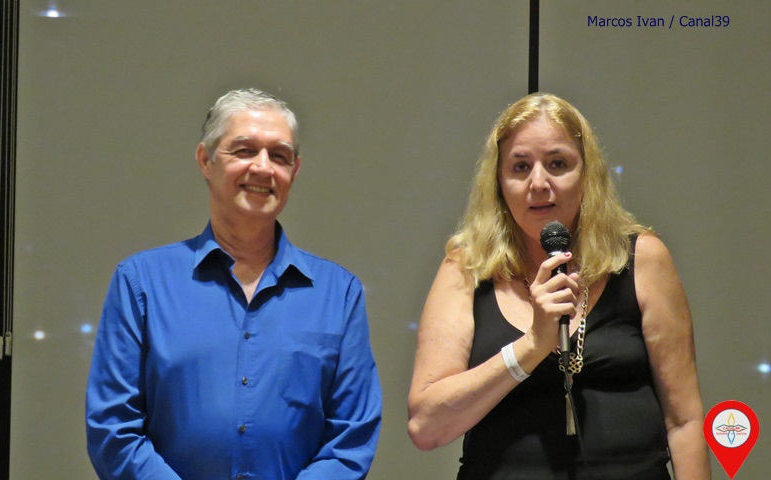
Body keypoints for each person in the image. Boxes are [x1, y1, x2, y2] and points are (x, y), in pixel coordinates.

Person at [407, 93, 709, 479]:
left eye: (557, 164)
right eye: (520, 167)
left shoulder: (642, 259)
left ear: (587, 175)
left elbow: (684, 422)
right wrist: (531, 346)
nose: (538, 183)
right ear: (498, 182)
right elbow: (427, 427)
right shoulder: (466, 267)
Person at [86, 88, 382, 480]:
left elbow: (351, 440)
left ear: (294, 171)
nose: (263, 168)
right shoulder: (141, 282)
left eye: (279, 156)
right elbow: (113, 431)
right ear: (205, 160)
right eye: (244, 151)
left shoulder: (338, 293)